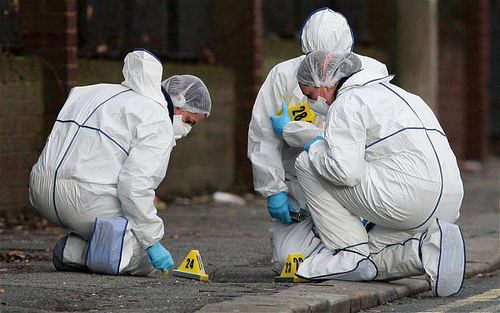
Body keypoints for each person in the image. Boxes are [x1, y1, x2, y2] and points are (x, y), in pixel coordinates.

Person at [271, 50, 465, 297]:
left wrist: (312, 144)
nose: (312, 102)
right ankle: (428, 251)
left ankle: (347, 251)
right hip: (448, 204)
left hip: (408, 199)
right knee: (370, 255)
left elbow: (344, 172)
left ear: (325, 83)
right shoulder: (405, 96)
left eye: (310, 94)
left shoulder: (348, 101)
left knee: (309, 162)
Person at [29, 49, 212, 276]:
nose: (186, 131)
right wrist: (152, 240)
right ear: (178, 104)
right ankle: (72, 252)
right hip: (85, 200)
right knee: (141, 256)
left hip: (40, 190)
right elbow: (135, 186)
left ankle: (80, 241)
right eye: (189, 121)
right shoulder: (156, 117)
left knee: (121, 222)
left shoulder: (94, 91)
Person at [247, 7, 388, 272]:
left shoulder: (369, 71)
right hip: (301, 187)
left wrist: (294, 130)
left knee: (378, 239)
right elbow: (263, 135)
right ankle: (347, 257)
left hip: (354, 178)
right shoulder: (283, 75)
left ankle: (355, 252)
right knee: (286, 260)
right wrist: (273, 188)